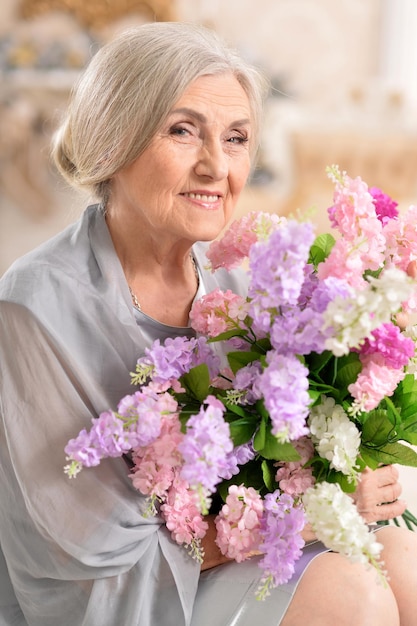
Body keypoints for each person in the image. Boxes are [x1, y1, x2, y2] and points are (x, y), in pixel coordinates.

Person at [0, 21, 416, 626]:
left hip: (227, 551)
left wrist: (343, 470)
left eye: (237, 137)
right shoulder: (34, 305)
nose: (216, 166)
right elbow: (90, 548)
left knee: (402, 556)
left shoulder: (239, 287)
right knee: (352, 596)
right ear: (114, 139)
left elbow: (274, 457)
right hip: (113, 589)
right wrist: (315, 510)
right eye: (183, 131)